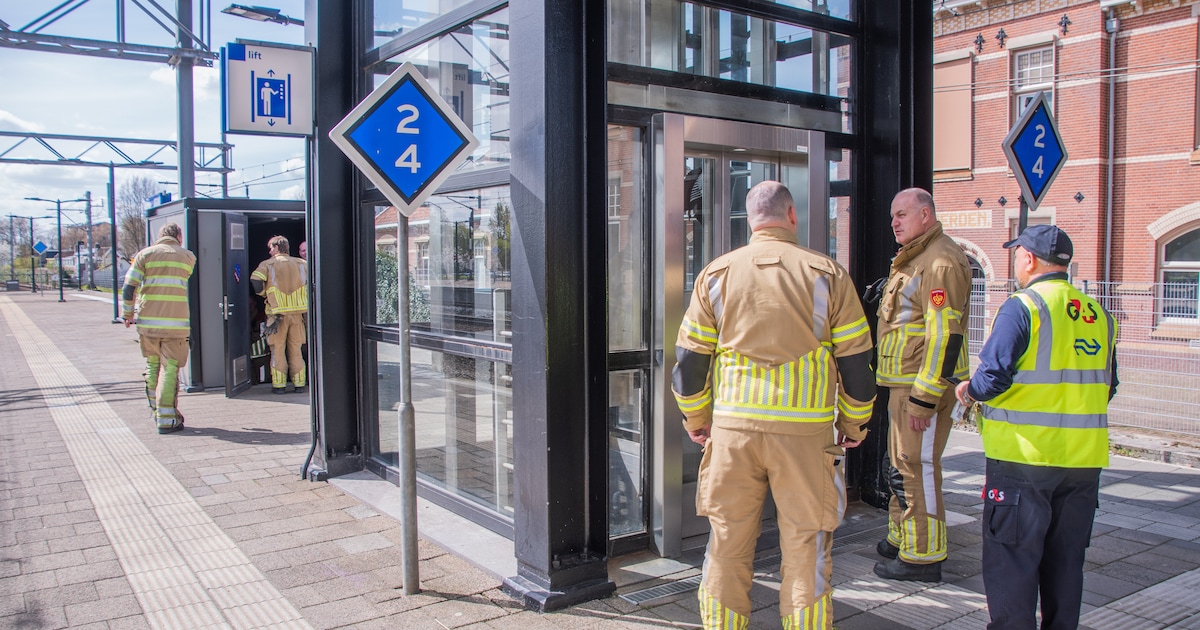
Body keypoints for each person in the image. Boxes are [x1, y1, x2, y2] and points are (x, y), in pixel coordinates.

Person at [673, 181, 875, 629]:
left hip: (734, 433)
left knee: (726, 543)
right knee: (806, 548)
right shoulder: (829, 275)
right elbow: (858, 365)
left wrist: (697, 419)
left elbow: (688, 363)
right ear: (792, 217)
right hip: (806, 437)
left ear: (749, 221)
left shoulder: (716, 274)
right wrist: (854, 424)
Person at [954, 225, 1117, 630]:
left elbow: (992, 378)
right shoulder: (1099, 315)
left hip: (1023, 459)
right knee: (1066, 563)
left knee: (1012, 561)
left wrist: (967, 391)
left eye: (1016, 254)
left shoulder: (1023, 307)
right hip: (1083, 464)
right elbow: (1107, 387)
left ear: (1028, 258)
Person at [872, 188, 971, 582]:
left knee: (918, 468)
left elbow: (944, 335)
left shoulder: (941, 261)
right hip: (904, 383)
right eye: (893, 216)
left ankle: (924, 558)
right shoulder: (916, 257)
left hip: (919, 388)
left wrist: (923, 400)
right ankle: (903, 539)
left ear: (926, 215)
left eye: (902, 214)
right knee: (901, 467)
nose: (894, 222)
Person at [121, 222, 197, 434]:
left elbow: (128, 288)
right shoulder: (187, 257)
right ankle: (166, 418)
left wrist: (128, 314)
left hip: (148, 324)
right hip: (176, 325)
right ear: (179, 237)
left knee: (153, 367)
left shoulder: (144, 255)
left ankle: (156, 411)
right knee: (169, 369)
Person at [251, 235, 309, 394]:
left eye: (271, 247)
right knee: (296, 350)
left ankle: (279, 386)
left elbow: (255, 280)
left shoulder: (268, 264)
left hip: (276, 316)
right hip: (297, 316)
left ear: (277, 247)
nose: (270, 251)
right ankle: (299, 385)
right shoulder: (302, 263)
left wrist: (264, 293)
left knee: (277, 350)